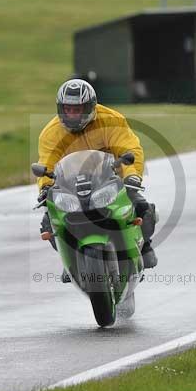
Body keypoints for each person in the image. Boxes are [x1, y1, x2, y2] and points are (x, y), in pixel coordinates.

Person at [37, 78, 157, 269]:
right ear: (60, 108)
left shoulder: (112, 120)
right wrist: (45, 187)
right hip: (71, 185)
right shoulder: (50, 133)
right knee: (49, 222)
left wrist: (131, 176)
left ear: (91, 106)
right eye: (67, 109)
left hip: (110, 180)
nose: (72, 114)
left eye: (77, 109)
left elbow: (130, 149)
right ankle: (72, 262)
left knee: (141, 206)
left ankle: (144, 247)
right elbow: (46, 163)